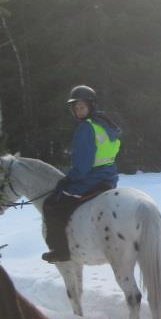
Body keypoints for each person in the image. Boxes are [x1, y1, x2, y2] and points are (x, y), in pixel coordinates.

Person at [41, 85, 121, 263]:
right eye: (76, 108)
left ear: (91, 106)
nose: (78, 111)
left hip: (90, 180)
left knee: (52, 205)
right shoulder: (105, 125)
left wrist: (69, 180)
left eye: (82, 107)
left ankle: (60, 250)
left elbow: (83, 165)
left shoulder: (86, 128)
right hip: (109, 178)